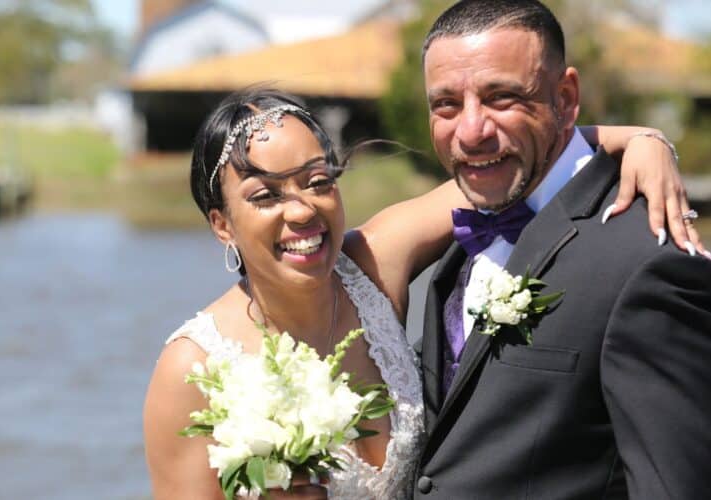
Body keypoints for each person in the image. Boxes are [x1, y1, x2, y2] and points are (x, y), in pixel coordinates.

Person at [143, 87, 699, 500]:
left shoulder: (372, 267)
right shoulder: (193, 367)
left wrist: (645, 142)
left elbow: (500, 171)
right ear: (222, 223)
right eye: (265, 195)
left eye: (318, 181)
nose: (302, 211)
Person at [415, 1, 711, 499]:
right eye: (446, 104)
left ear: (566, 98)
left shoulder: (650, 262)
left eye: (501, 97)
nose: (470, 130)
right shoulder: (460, 239)